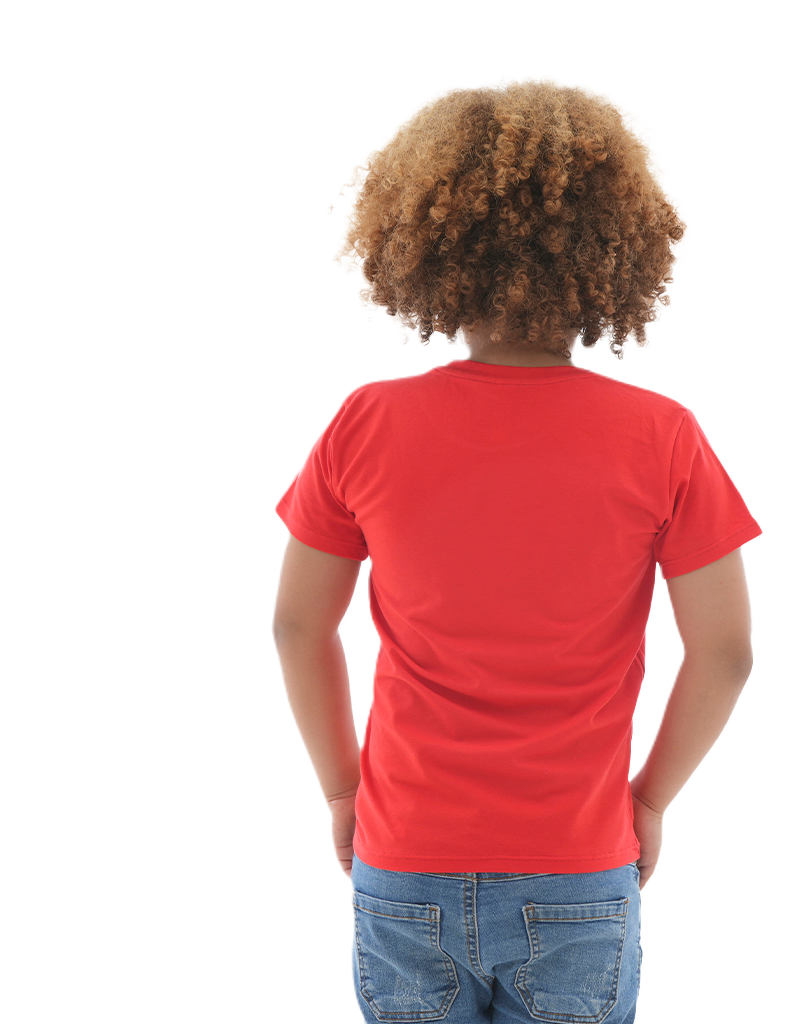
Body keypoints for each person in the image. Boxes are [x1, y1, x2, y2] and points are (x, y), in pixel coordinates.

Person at [273, 72, 762, 1023]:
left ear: (426, 246)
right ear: (615, 249)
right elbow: (728, 651)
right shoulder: (662, 434)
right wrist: (649, 802)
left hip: (403, 859)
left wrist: (342, 793)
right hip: (578, 865)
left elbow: (299, 625)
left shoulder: (367, 421)